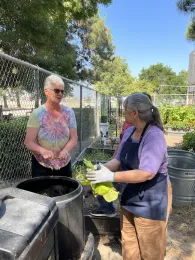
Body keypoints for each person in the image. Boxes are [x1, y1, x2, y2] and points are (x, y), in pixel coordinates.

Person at [87, 93, 172, 260]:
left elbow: (146, 172)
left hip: (150, 201)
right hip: (129, 197)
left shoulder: (153, 136)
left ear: (135, 113)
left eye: (125, 110)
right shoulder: (129, 132)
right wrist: (101, 169)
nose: (122, 114)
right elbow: (117, 160)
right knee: (129, 245)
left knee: (151, 251)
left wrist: (111, 177)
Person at [24, 74, 78, 178]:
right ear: (46, 91)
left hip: (64, 165)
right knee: (41, 194)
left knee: (67, 193)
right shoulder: (37, 114)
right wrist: (42, 151)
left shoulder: (69, 112)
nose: (60, 94)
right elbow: (28, 142)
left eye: (62, 91)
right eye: (56, 90)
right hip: (41, 166)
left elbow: (74, 138)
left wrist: (66, 150)